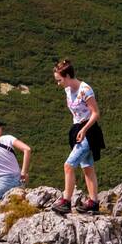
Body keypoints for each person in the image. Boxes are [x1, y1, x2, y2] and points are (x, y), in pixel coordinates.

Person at [51, 58, 105, 215]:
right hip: (78, 129)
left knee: (68, 165)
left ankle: (66, 201)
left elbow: (95, 113)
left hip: (89, 131)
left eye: (59, 80)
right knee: (87, 167)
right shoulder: (68, 89)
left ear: (67, 76)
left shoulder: (85, 90)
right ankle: (93, 202)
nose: (58, 83)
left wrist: (84, 129)